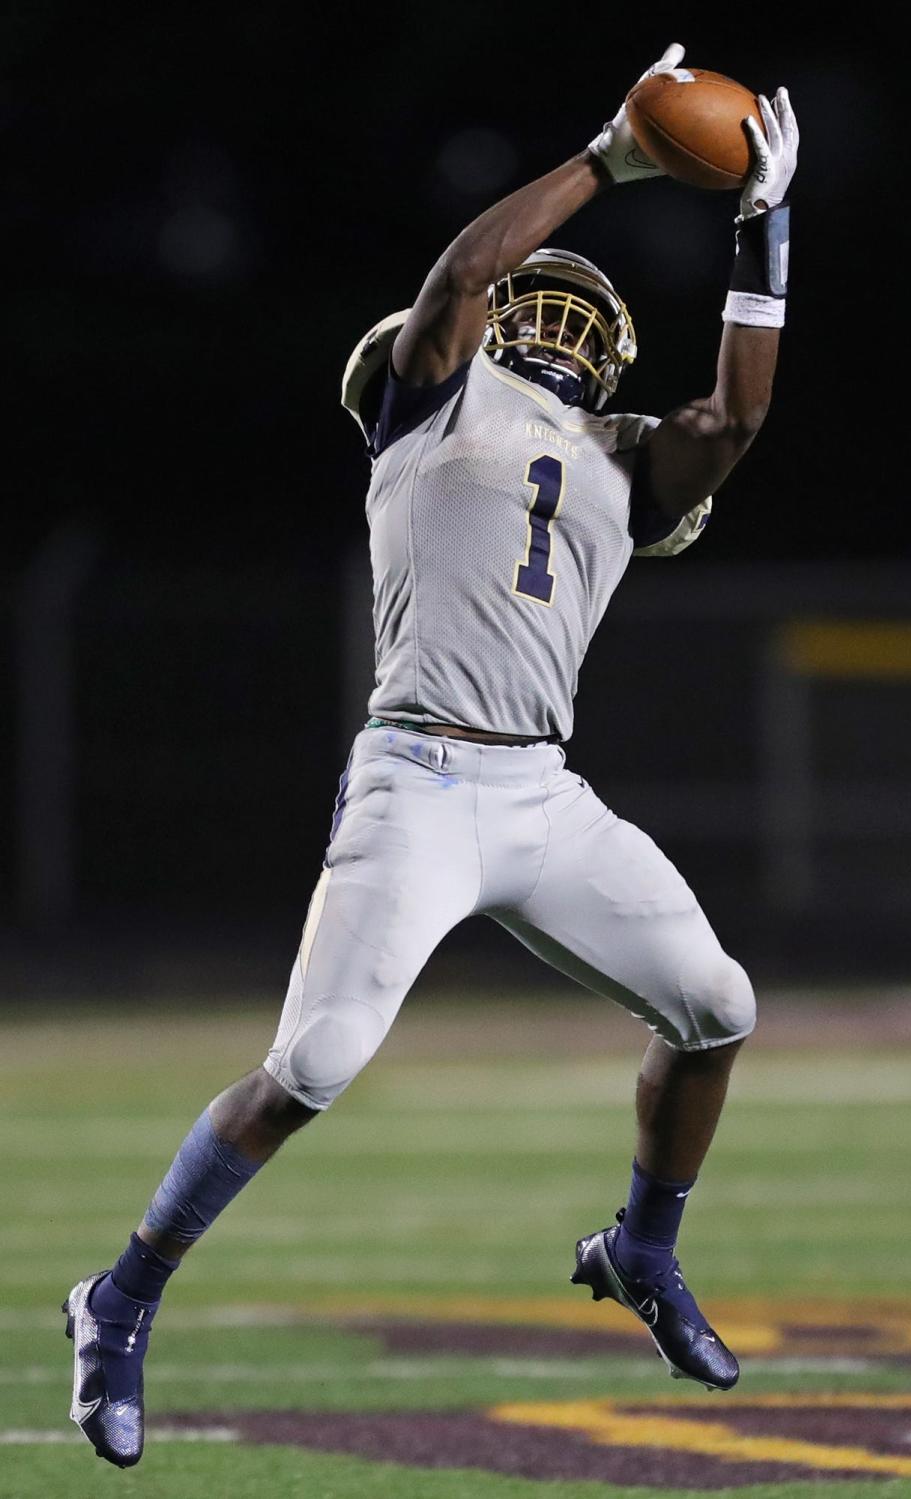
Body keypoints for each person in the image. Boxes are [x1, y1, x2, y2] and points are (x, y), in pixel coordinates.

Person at [63, 42, 798, 1468]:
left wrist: (764, 223)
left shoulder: (618, 457)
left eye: (592, 314)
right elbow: (464, 276)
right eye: (557, 299)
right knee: (316, 1062)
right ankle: (123, 1295)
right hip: (419, 776)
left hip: (541, 789)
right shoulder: (428, 403)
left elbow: (742, 414)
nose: (570, 324)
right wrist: (610, 156)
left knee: (717, 1003)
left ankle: (642, 1249)